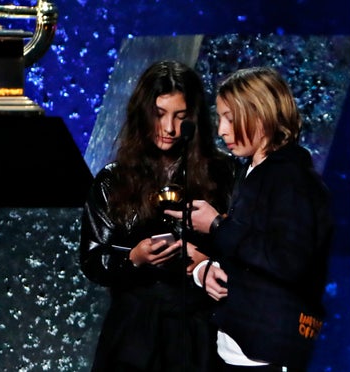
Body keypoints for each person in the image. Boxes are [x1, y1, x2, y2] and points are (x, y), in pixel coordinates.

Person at [165, 66, 334, 371]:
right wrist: (208, 269)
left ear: (262, 114)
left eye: (230, 117)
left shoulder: (291, 178)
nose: (222, 131)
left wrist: (217, 226)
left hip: (266, 352)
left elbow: (288, 260)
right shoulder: (255, 172)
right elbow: (254, 252)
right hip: (240, 349)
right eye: (220, 118)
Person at [78, 60, 235, 372]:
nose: (169, 128)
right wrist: (134, 258)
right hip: (134, 331)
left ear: (194, 118)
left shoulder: (223, 173)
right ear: (142, 114)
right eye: (159, 114)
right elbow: (92, 258)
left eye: (180, 116)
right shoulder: (113, 179)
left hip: (198, 328)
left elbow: (249, 245)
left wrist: (205, 258)